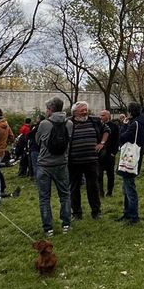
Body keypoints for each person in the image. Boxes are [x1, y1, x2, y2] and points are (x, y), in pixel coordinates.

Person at [35, 98, 73, 236]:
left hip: (44, 164)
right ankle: (66, 225)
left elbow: (38, 141)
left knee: (44, 197)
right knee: (65, 195)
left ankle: (48, 229)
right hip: (62, 163)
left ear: (50, 109)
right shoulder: (69, 123)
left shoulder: (45, 123)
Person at [67, 101, 105, 220]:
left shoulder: (94, 121)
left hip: (91, 160)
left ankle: (96, 212)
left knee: (93, 186)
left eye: (86, 109)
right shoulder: (69, 122)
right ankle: (77, 213)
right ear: (74, 112)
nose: (85, 112)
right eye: (82, 110)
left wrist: (102, 143)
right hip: (74, 161)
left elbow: (107, 130)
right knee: (74, 187)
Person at [117, 101, 144, 225]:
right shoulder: (142, 121)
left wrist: (124, 126)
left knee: (129, 188)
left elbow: (123, 137)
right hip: (137, 155)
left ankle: (133, 216)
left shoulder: (134, 124)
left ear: (130, 111)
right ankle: (127, 213)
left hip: (130, 157)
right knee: (127, 186)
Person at [98, 109, 120, 198]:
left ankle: (109, 192)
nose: (101, 117)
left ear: (108, 116)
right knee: (99, 174)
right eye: (100, 115)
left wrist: (113, 153)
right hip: (99, 154)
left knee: (110, 174)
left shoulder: (114, 126)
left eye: (103, 115)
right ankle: (100, 192)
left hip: (110, 154)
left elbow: (117, 140)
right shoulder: (98, 126)